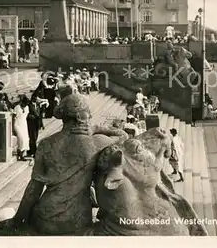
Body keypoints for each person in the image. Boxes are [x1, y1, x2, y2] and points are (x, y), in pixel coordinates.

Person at [7, 93, 128, 235]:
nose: (90, 118)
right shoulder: (96, 142)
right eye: (88, 114)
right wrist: (97, 128)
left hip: (45, 216)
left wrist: (18, 219)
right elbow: (123, 135)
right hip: (77, 219)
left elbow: (34, 189)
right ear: (80, 116)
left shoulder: (46, 144)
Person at [27, 94, 44, 158]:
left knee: (35, 137)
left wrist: (42, 124)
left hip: (37, 123)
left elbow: (40, 116)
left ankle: (31, 150)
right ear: (33, 98)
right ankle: (34, 151)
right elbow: (28, 114)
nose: (37, 99)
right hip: (31, 123)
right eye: (36, 98)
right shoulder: (29, 105)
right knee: (33, 137)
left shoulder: (38, 105)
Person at [13, 95, 31, 160]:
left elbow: (26, 116)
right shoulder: (17, 108)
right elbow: (14, 118)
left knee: (26, 139)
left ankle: (21, 154)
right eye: (24, 103)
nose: (25, 105)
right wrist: (13, 127)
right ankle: (20, 153)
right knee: (21, 139)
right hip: (17, 124)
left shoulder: (27, 108)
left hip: (23, 124)